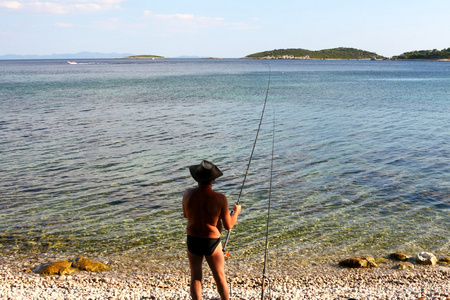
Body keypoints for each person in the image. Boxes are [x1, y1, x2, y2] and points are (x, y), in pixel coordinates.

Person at [183, 160, 241, 300]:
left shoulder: (187, 194)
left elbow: (186, 215)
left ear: (197, 178)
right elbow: (228, 226)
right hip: (212, 242)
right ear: (213, 179)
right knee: (219, 275)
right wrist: (236, 212)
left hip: (193, 239)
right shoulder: (220, 198)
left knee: (196, 276)